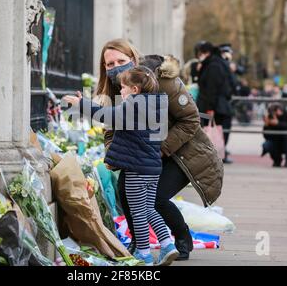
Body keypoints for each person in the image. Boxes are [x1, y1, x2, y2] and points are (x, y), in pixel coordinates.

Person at [94, 39, 224, 261]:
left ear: (134, 59)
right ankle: (140, 244)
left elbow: (190, 120)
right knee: (125, 190)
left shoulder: (161, 81)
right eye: (110, 63)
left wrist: (160, 148)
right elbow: (111, 130)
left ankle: (181, 239)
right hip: (143, 153)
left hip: (181, 152)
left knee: (155, 198)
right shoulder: (117, 90)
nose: (116, 66)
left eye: (121, 61)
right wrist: (115, 153)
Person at [63, 67, 179, 266]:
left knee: (138, 213)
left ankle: (143, 253)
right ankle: (168, 244)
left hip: (136, 170)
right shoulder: (155, 104)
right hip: (152, 169)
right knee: (149, 209)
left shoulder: (134, 106)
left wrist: (81, 104)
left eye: (123, 88)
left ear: (134, 89)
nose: (121, 91)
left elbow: (107, 115)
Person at [196, 42, 234, 163]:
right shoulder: (218, 63)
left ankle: (212, 155)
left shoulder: (213, 65)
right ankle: (216, 154)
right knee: (218, 130)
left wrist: (210, 108)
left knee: (211, 130)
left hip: (214, 106)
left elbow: (211, 89)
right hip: (219, 105)